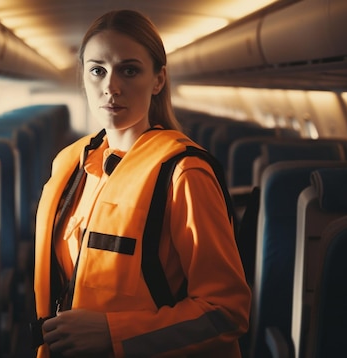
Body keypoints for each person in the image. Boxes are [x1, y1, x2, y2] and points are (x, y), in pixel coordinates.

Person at [33, 9, 251, 358]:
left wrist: (113, 333)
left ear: (158, 80)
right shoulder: (70, 163)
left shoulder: (184, 173)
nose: (111, 87)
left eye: (129, 70)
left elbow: (226, 313)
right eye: (97, 71)